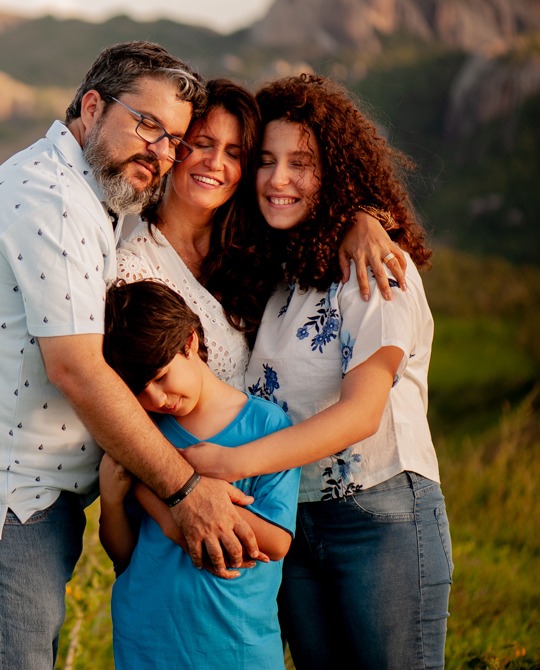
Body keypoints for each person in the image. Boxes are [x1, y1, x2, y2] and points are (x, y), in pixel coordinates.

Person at [0, 42, 264, 670]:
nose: (160, 150)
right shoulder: (53, 200)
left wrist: (365, 218)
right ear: (92, 108)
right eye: (147, 124)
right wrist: (185, 492)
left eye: (173, 138)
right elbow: (77, 369)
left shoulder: (98, 192)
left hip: (24, 507)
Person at [182, 74, 453, 670]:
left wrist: (229, 465)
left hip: (379, 516)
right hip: (295, 526)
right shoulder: (281, 280)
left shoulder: (373, 267)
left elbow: (360, 413)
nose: (278, 180)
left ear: (335, 172)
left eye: (301, 163)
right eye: (266, 162)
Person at [116, 79, 407, 389]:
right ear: (174, 147)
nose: (215, 163)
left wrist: (359, 219)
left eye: (234, 153)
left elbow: (315, 209)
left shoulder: (256, 245)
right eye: (202, 144)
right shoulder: (132, 270)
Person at [99, 280, 299, 670]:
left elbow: (275, 543)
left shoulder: (266, 425)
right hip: (147, 640)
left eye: (160, 377)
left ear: (190, 342)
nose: (156, 399)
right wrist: (111, 499)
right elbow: (122, 555)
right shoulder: (143, 434)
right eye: (139, 390)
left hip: (237, 644)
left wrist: (200, 495)